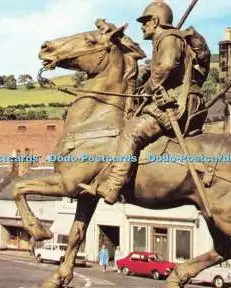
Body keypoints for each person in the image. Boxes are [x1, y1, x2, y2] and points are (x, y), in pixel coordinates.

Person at [79, 0, 210, 205]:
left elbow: (166, 65)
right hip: (191, 104)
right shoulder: (175, 40)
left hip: (176, 105)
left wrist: (149, 87)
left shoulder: (168, 37)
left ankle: (113, 187)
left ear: (155, 21)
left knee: (131, 132)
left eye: (145, 21)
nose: (142, 26)